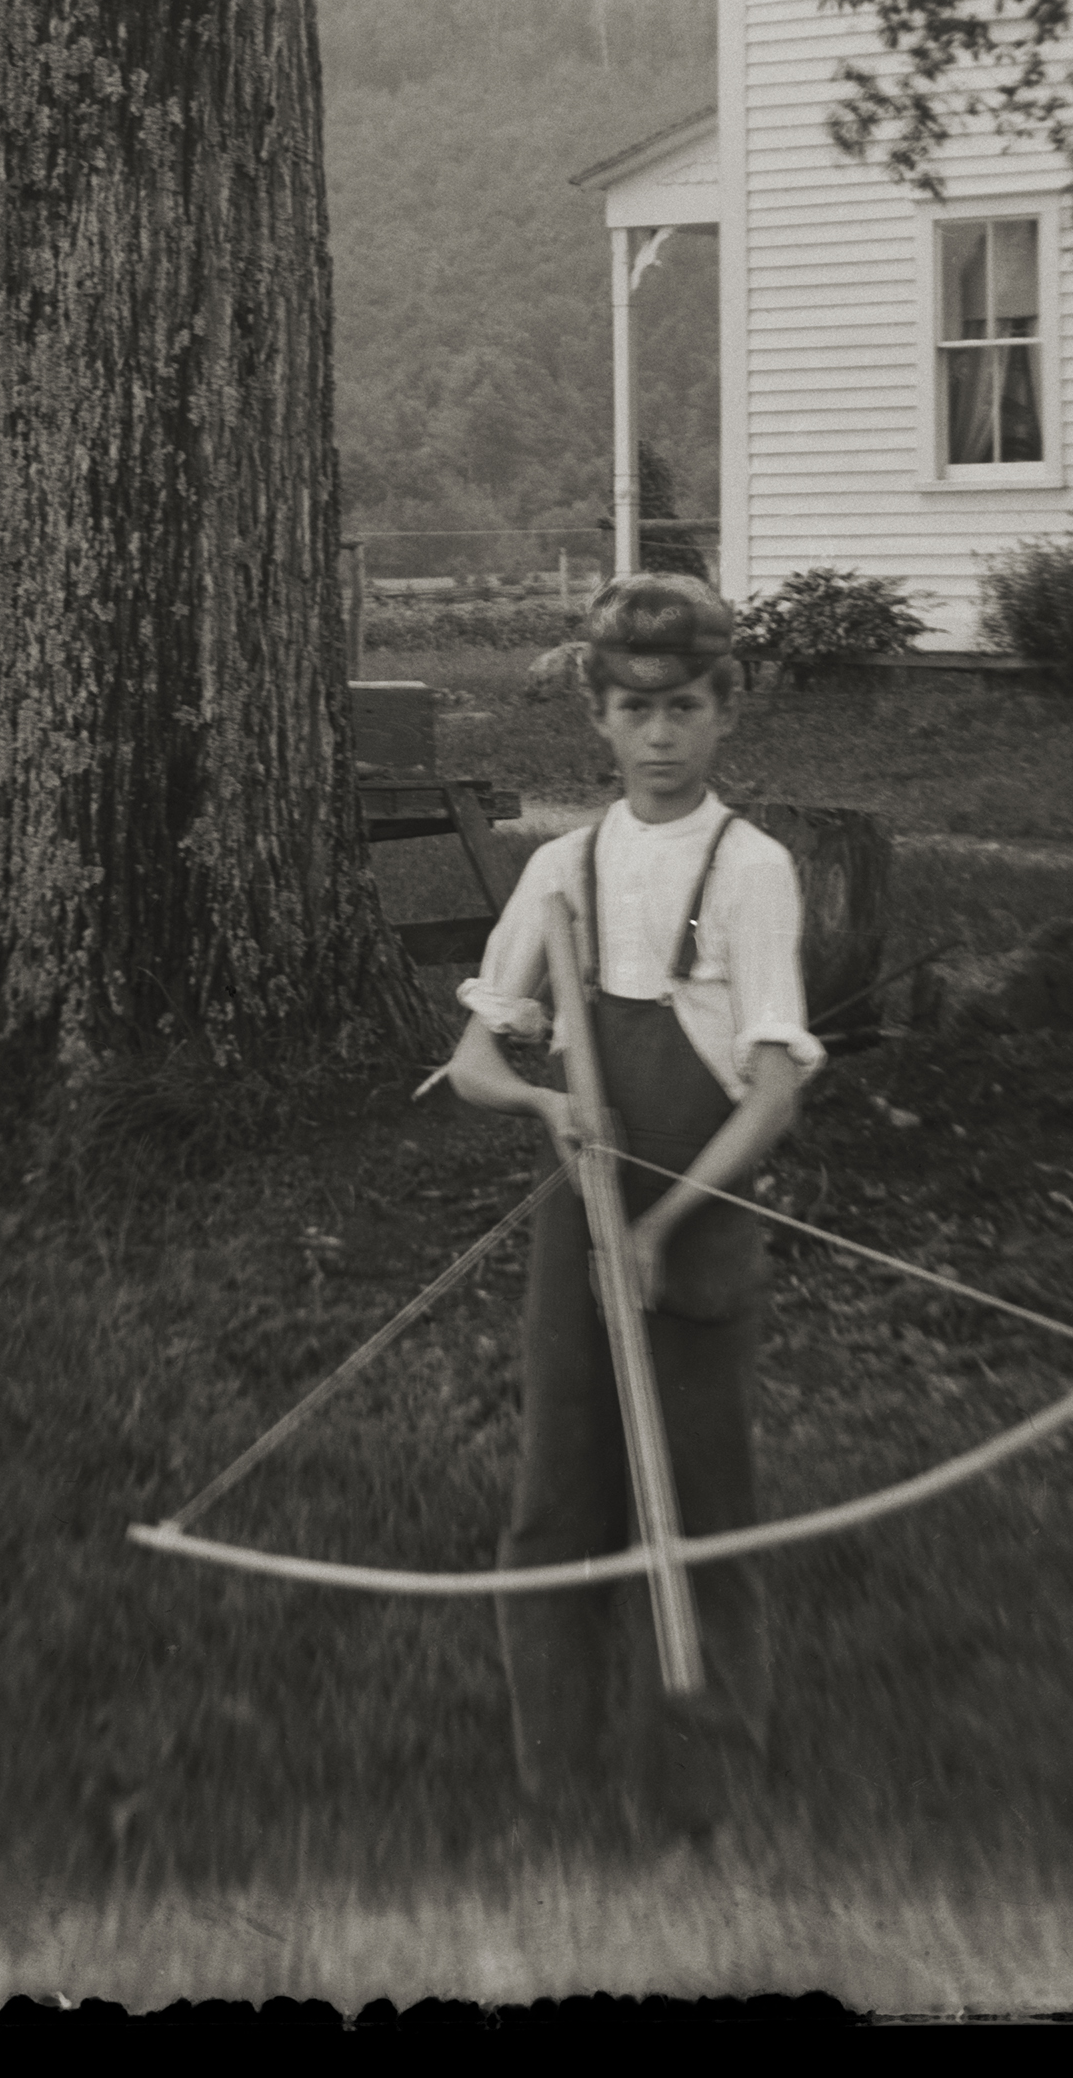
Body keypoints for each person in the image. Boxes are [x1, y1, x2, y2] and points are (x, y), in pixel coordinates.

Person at [434, 572, 821, 1841]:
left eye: (686, 708)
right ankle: (558, 1783)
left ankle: (698, 1797)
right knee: (559, 1500)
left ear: (724, 712)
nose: (660, 735)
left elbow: (773, 1093)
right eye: (635, 710)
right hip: (578, 1217)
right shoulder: (563, 869)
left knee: (701, 1510)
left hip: (695, 1225)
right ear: (597, 717)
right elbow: (478, 1060)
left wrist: (659, 1229)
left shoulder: (750, 869)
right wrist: (543, 1104)